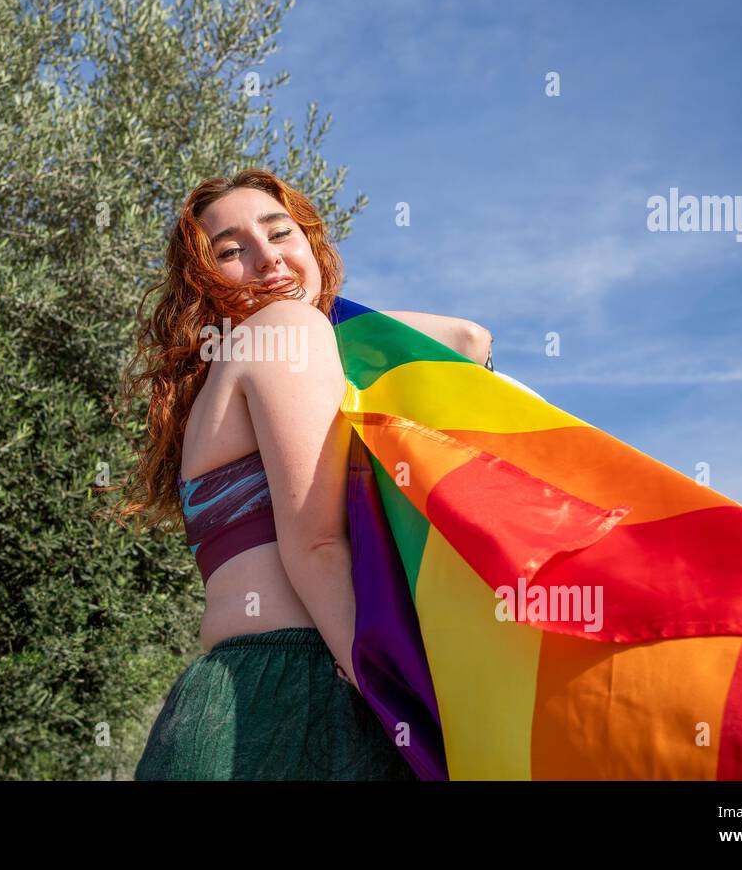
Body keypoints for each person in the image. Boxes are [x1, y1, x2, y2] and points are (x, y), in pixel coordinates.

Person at [111, 169, 492, 780]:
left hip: (228, 700)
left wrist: (319, 310)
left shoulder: (238, 368)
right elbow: (316, 545)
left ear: (313, 244)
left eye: (281, 234)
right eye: (231, 251)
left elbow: (468, 340)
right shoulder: (283, 332)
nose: (267, 259)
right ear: (204, 282)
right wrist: (402, 709)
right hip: (311, 690)